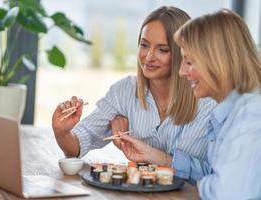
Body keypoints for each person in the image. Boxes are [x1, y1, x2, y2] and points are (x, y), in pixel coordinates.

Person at [52, 6, 216, 182]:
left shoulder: (209, 101)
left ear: (183, 53)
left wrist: (159, 158)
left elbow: (221, 178)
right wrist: (62, 132)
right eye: (144, 45)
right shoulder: (124, 91)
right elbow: (79, 144)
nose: (149, 56)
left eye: (163, 49)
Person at [118, 9, 261, 199]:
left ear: (218, 62)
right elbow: (217, 175)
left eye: (189, 62)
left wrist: (206, 185)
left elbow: (227, 193)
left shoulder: (250, 117)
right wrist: (160, 158)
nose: (181, 72)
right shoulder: (229, 113)